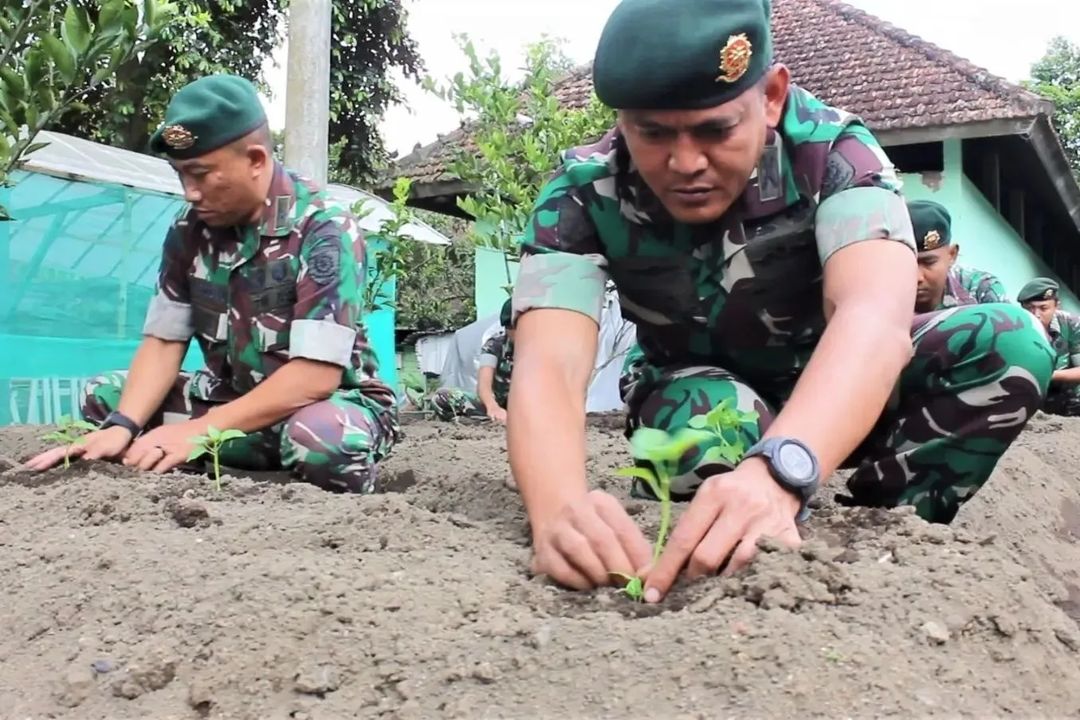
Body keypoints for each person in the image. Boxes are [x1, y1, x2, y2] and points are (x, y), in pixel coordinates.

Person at [506, 0, 1054, 604]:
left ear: (771, 96)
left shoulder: (835, 154)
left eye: (716, 130)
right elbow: (549, 364)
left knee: (1009, 339)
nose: (685, 163)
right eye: (653, 133)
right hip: (703, 394)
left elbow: (873, 317)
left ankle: (881, 535)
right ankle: (744, 540)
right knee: (706, 425)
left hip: (844, 387)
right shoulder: (583, 193)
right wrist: (556, 508)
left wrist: (780, 469)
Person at [24, 74, 399, 493]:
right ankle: (232, 465)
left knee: (320, 439)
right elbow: (164, 341)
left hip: (326, 406)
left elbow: (315, 377)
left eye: (201, 174)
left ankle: (257, 468)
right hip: (230, 405)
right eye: (181, 174)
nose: (190, 193)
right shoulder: (189, 231)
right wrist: (124, 424)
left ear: (256, 160)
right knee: (107, 397)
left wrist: (196, 432)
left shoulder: (323, 227)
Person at [907, 199, 1006, 313]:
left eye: (929, 262)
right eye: (905, 264)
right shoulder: (883, 292)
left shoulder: (980, 289)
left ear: (952, 255)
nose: (917, 277)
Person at [429, 299, 515, 424]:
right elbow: (484, 384)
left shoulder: (541, 348)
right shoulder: (495, 345)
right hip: (497, 403)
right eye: (512, 326)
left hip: (530, 406)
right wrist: (493, 407)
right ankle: (487, 421)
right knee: (442, 397)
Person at [1018, 277, 1080, 416]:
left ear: (1057, 306)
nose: (1036, 315)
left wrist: (1049, 375)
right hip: (1027, 390)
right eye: (1030, 308)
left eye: (1043, 308)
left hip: (1063, 390)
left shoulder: (1072, 325)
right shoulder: (1015, 328)